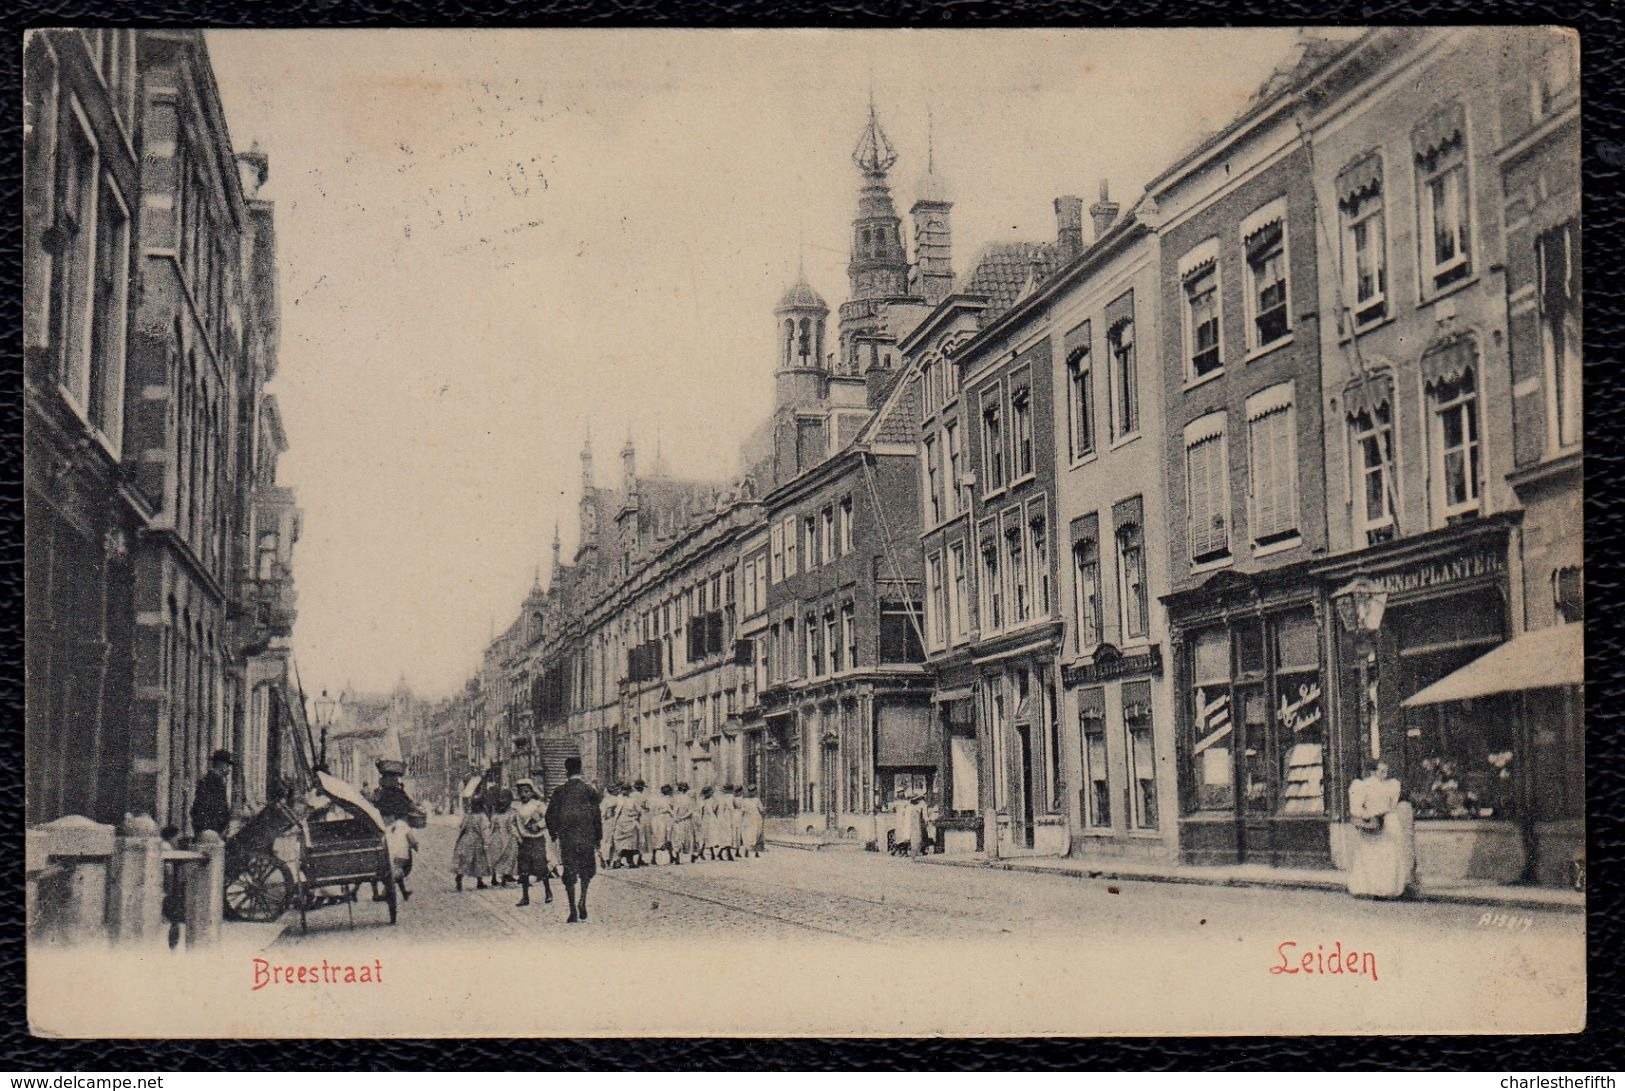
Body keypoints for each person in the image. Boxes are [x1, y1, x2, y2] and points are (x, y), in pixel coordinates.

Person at [545, 757, 603, 924]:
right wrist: (598, 838)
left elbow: (550, 815)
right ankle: (583, 899)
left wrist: (554, 832)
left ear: (566, 772)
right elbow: (596, 817)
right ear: (581, 770)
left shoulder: (559, 791)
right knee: (586, 870)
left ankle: (572, 910)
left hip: (568, 838)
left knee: (569, 872)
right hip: (586, 837)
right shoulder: (590, 791)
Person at [1347, 760, 1416, 899]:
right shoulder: (1363, 786)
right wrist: (1367, 815)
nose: (1384, 774)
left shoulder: (1392, 785)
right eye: (1381, 771)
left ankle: (1388, 889)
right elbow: (1356, 807)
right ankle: (1371, 888)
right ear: (1373, 771)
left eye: (1386, 771)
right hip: (1373, 823)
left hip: (1389, 822)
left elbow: (1393, 804)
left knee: (1388, 855)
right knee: (1372, 857)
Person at [512, 779, 553, 907]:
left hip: (537, 840)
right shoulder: (517, 807)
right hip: (524, 841)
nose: (523, 794)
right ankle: (525, 897)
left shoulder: (538, 805)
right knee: (524, 869)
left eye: (526, 791)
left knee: (541, 866)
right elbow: (514, 824)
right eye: (521, 792)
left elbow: (549, 818)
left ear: (531, 792)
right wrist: (517, 836)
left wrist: (539, 825)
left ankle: (548, 892)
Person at [191, 749, 235, 838]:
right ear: (221, 764)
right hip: (211, 830)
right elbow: (214, 808)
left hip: (208, 829)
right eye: (228, 765)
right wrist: (219, 827)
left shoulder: (210, 779)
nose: (230, 769)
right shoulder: (214, 781)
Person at [452, 798, 490, 891]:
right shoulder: (482, 817)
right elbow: (484, 830)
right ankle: (479, 881)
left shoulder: (468, 815)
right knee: (478, 861)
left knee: (464, 860)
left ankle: (459, 877)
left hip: (465, 839)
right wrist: (486, 842)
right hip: (476, 841)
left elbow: (461, 825)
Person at [486, 788, 519, 886]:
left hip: (500, 837)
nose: (502, 801)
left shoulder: (498, 814)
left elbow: (491, 827)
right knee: (502, 857)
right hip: (504, 837)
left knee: (503, 857)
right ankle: (499, 877)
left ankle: (501, 877)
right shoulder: (510, 813)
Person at [610, 783, 644, 868]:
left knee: (625, 843)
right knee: (627, 843)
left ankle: (623, 860)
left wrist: (614, 824)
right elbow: (639, 811)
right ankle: (623, 860)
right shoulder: (629, 800)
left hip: (624, 822)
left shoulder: (620, 799)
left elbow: (616, 812)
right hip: (627, 823)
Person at [648, 785, 676, 865]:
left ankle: (654, 858)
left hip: (657, 819)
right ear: (669, 792)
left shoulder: (657, 799)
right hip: (666, 819)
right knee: (668, 837)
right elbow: (670, 810)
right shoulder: (669, 800)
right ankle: (671, 856)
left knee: (658, 838)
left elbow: (652, 809)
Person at [670, 782, 697, 863]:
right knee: (688, 838)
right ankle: (692, 855)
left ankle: (677, 856)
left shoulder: (676, 798)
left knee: (678, 837)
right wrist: (683, 817)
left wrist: (676, 818)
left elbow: (674, 810)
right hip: (686, 820)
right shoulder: (689, 799)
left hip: (678, 820)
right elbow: (690, 811)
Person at [740, 784, 765, 857]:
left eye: (753, 791)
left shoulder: (757, 800)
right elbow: (742, 809)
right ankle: (747, 850)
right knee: (748, 834)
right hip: (747, 819)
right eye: (750, 791)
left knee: (756, 834)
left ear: (755, 791)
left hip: (756, 819)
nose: (751, 793)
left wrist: (763, 811)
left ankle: (756, 852)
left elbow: (761, 809)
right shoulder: (744, 800)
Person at [599, 783, 620, 868]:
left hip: (607, 821)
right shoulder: (617, 799)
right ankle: (614, 860)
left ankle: (605, 858)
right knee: (615, 840)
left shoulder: (605, 801)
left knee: (606, 840)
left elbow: (602, 813)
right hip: (616, 821)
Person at [888, 788, 914, 856]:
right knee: (899, 835)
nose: (901, 793)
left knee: (905, 835)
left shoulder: (907, 802)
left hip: (905, 820)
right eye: (899, 792)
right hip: (899, 820)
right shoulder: (896, 802)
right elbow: (892, 809)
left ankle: (904, 851)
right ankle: (897, 850)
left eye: (902, 792)